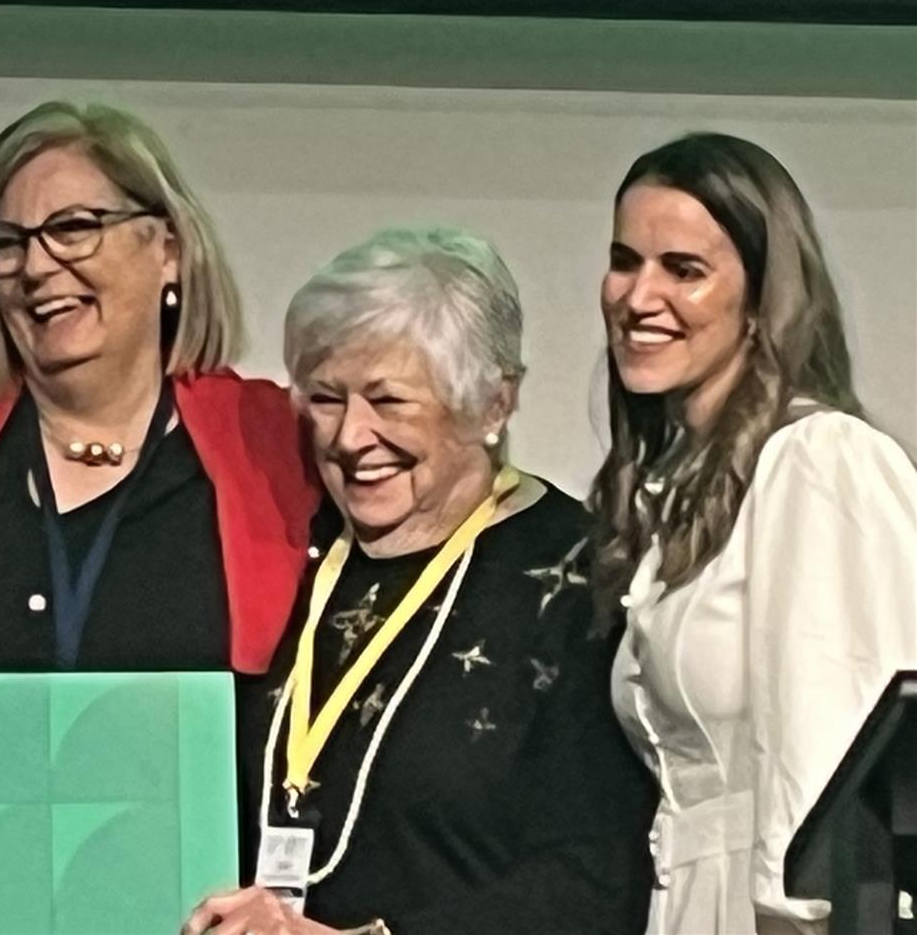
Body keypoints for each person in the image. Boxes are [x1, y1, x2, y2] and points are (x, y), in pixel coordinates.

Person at [184, 229, 654, 935]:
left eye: (388, 401)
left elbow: (596, 877)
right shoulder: (286, 550)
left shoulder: (584, 578)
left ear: (492, 404)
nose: (349, 436)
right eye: (326, 398)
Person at [0, 101, 321, 677]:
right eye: (7, 244)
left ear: (168, 250)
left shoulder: (280, 441)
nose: (35, 267)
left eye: (72, 228)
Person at [592, 133, 917, 934]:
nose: (638, 296)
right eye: (625, 261)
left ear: (760, 298)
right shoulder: (679, 490)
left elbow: (840, 795)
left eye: (683, 269)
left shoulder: (817, 462)